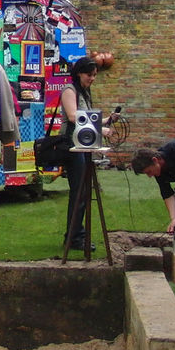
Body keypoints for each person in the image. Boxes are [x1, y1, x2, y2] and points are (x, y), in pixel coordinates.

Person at [58, 55, 102, 252]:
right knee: (79, 193)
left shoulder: (85, 92)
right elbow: (73, 116)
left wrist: (106, 121)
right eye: (88, 75)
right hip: (72, 147)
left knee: (83, 193)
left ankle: (77, 234)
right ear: (78, 73)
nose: (92, 78)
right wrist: (99, 125)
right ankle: (74, 236)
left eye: (94, 75)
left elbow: (87, 118)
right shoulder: (70, 90)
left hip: (82, 147)